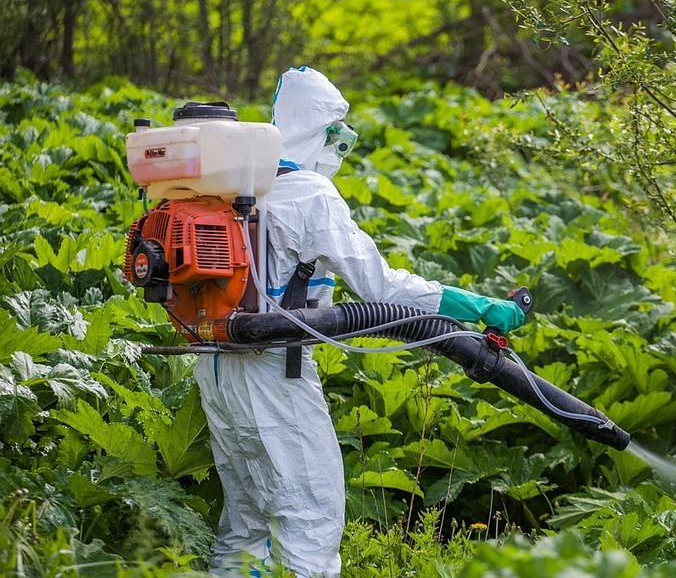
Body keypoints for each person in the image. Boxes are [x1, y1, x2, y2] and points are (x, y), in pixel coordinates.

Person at [193, 66, 525, 577]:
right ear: (319, 132)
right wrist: (476, 306)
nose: (339, 148)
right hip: (273, 369)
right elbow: (381, 290)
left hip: (214, 365)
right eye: (336, 135)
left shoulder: (236, 184)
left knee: (247, 521)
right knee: (311, 518)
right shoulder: (311, 194)